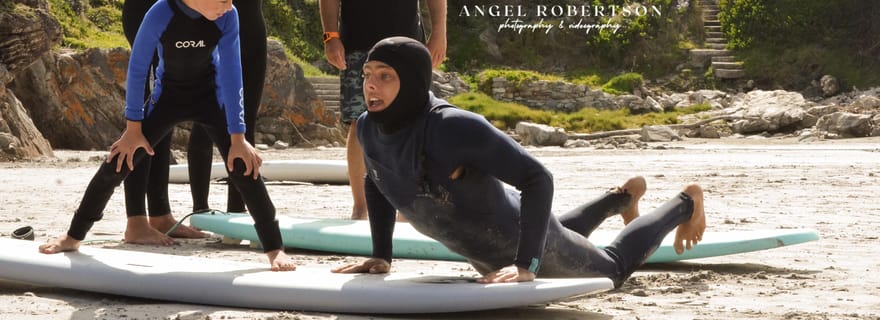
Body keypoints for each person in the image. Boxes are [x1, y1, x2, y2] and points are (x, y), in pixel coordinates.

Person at [331, 37, 706, 286]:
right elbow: (377, 179)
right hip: (488, 251)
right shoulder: (367, 128)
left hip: (517, 245)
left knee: (613, 267)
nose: (371, 85)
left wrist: (527, 265)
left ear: (413, 81)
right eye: (367, 75)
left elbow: (537, 178)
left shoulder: (453, 127)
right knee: (561, 232)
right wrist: (381, 256)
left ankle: (686, 202)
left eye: (385, 76)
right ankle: (621, 198)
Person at [39, 0, 296, 271]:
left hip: (211, 98)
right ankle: (74, 235)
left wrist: (238, 137)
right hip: (167, 99)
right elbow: (138, 69)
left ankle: (274, 248)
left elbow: (232, 74)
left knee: (244, 166)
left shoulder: (228, 15)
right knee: (118, 162)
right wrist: (133, 129)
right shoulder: (161, 12)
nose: (229, 4)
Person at [119, 0, 268, 245]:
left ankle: (234, 216)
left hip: (240, 12)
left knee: (243, 110)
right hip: (158, 9)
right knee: (154, 114)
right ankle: (138, 221)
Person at [319, 0, 447, 220]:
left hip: (408, 44)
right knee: (359, 121)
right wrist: (330, 36)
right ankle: (361, 208)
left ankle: (407, 210)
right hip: (358, 44)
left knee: (413, 122)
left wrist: (439, 33)